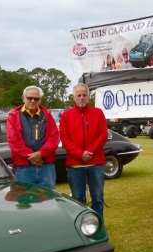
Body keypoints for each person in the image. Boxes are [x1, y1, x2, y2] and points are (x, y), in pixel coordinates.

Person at [59, 83, 108, 217]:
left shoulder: (98, 113)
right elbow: (64, 138)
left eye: (84, 95)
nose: (82, 98)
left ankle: (98, 225)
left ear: (88, 96)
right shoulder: (66, 115)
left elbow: (103, 135)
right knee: (78, 199)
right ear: (73, 97)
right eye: (79, 95)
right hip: (75, 164)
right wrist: (80, 154)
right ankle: (82, 226)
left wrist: (90, 152)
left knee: (97, 198)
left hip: (95, 163)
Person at [6, 85, 60, 189]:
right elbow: (13, 141)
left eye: (36, 98)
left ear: (40, 100)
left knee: (47, 200)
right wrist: (33, 157)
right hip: (23, 167)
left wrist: (41, 154)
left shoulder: (47, 115)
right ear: (23, 98)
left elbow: (54, 138)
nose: (33, 101)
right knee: (25, 202)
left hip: (46, 166)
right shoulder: (13, 116)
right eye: (29, 98)